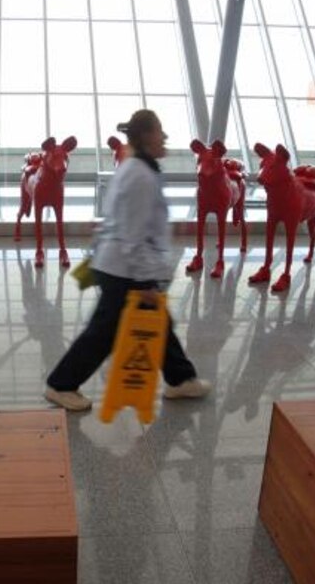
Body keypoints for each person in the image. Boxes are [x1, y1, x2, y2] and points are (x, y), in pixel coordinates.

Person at [44, 109, 212, 411]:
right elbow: (134, 235)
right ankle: (61, 384)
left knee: (156, 320)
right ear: (147, 135)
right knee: (104, 332)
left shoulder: (135, 167)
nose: (164, 137)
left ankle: (181, 379)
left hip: (116, 263)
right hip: (125, 269)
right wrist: (147, 281)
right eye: (160, 131)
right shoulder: (140, 175)